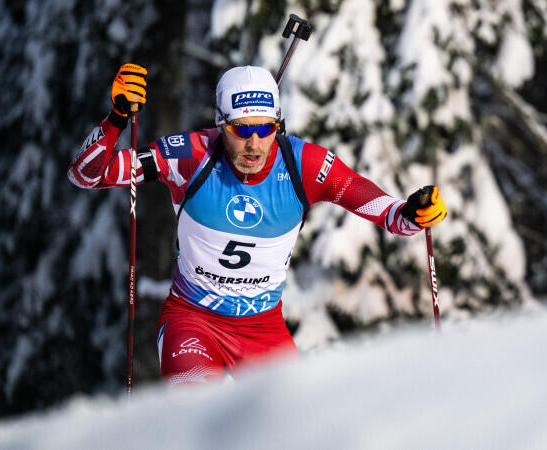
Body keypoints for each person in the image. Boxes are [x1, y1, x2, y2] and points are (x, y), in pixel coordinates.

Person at [68, 63, 447, 385]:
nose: (253, 143)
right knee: (203, 415)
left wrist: (412, 214)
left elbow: (385, 212)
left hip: (263, 329)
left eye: (265, 129)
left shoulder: (304, 165)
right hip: (193, 322)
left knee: (295, 430)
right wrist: (117, 118)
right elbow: (86, 175)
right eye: (240, 129)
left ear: (278, 126)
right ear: (220, 124)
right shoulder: (189, 156)